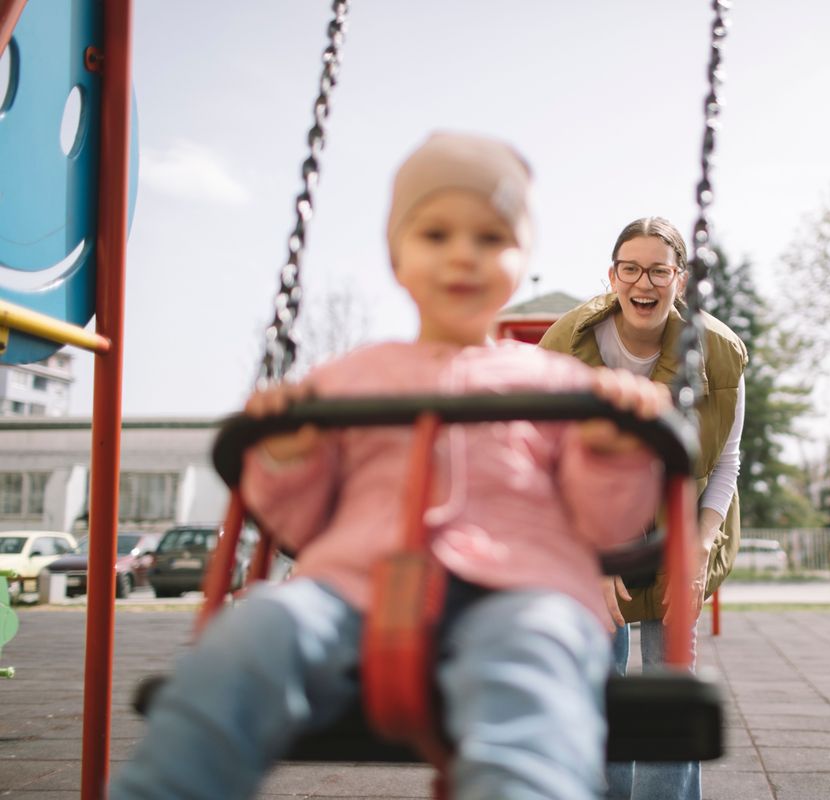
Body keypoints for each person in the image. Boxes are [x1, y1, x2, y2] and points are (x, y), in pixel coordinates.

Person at [110, 132, 673, 800]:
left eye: (491, 238)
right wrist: (287, 454)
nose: (463, 253)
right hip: (356, 592)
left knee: (536, 672)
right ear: (396, 256)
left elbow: (607, 524)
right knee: (257, 628)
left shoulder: (558, 387)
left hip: (520, 595)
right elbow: (301, 522)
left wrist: (614, 449)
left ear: (522, 261)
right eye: (435, 234)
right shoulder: (350, 381)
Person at [540, 216, 748, 800]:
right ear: (612, 276)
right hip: (587, 532)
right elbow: (544, 466)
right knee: (595, 694)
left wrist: (699, 548)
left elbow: (726, 462)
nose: (644, 282)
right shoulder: (563, 347)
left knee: (667, 696)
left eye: (659, 269)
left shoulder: (720, 353)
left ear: (679, 280)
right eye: (630, 268)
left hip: (682, 531)